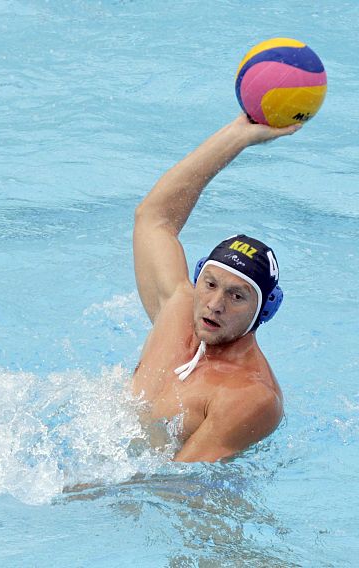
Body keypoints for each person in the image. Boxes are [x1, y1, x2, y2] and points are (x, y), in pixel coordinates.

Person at [132, 114, 299, 462]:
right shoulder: (178, 307)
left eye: (237, 295)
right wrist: (236, 136)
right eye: (209, 285)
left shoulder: (250, 396)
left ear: (263, 311)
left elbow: (172, 486)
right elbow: (154, 218)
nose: (214, 304)